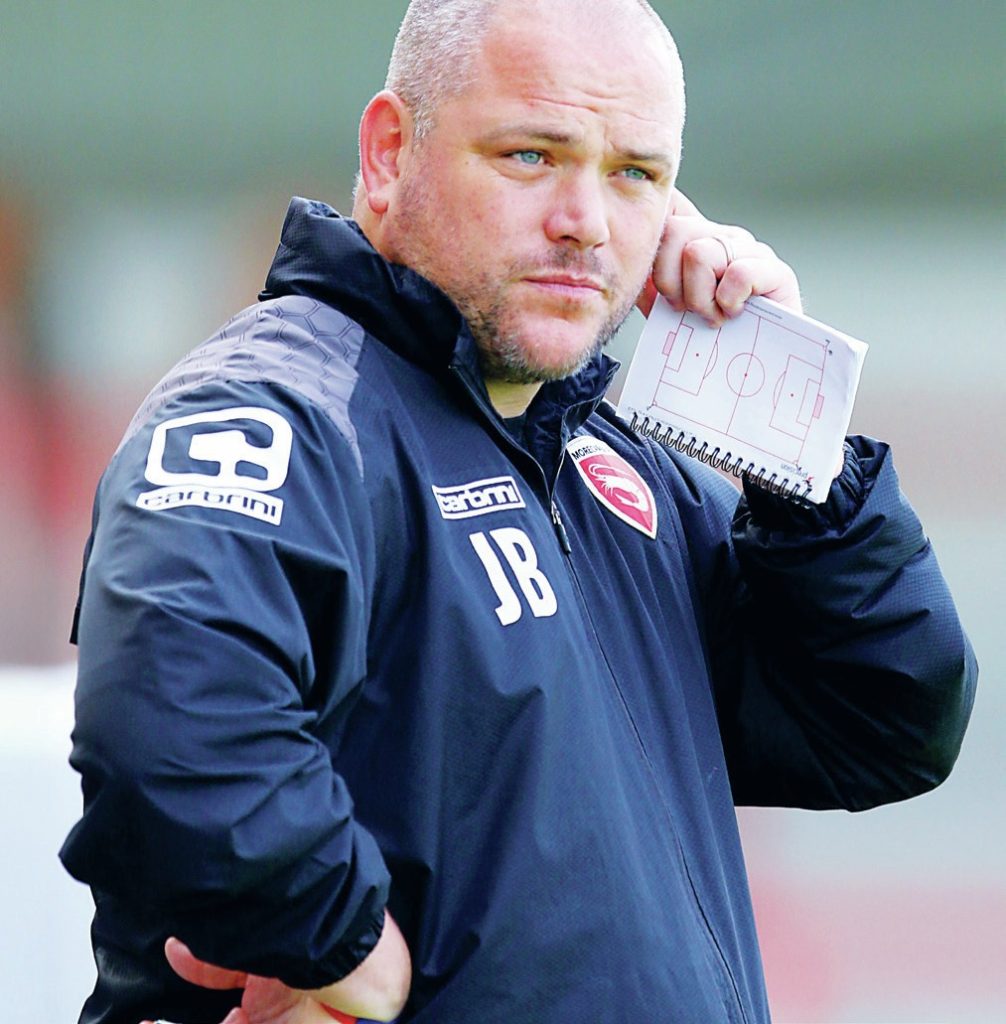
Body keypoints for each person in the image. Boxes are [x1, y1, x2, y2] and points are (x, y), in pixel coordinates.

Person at [61, 1, 977, 1022]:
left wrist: (779, 423)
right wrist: (346, 943)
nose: (585, 219)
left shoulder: (611, 465)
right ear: (388, 152)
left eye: (635, 174)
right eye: (531, 154)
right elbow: (176, 721)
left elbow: (884, 721)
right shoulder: (282, 410)